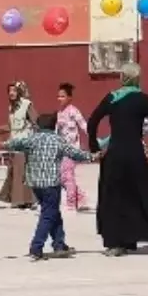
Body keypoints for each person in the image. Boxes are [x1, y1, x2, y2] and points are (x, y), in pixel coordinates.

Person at [86, 62, 148, 257]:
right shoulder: (142, 99)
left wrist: (94, 147)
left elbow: (92, 122)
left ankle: (117, 244)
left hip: (114, 154)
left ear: (122, 77)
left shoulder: (112, 97)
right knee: (146, 195)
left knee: (115, 197)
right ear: (137, 78)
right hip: (135, 154)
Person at [1, 112, 94, 261]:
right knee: (48, 215)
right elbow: (75, 154)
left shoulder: (32, 139)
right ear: (54, 126)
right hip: (51, 184)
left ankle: (59, 244)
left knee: (53, 213)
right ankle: (36, 247)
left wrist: (0, 142)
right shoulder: (58, 140)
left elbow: (14, 144)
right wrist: (93, 156)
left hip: (35, 183)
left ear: (38, 126)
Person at [0, 81, 38, 209]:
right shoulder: (11, 108)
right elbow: (11, 126)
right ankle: (20, 199)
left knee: (22, 171)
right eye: (9, 91)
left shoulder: (27, 105)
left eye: (14, 90)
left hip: (24, 143)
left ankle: (28, 200)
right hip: (14, 143)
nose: (11, 93)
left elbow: (36, 121)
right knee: (15, 172)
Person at [56, 83, 89, 211]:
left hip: (72, 148)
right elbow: (57, 131)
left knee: (68, 175)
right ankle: (80, 197)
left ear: (69, 98)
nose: (59, 99)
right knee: (62, 176)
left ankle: (71, 203)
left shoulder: (73, 111)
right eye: (58, 96)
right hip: (62, 149)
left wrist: (93, 138)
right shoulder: (59, 113)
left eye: (62, 96)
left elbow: (83, 125)